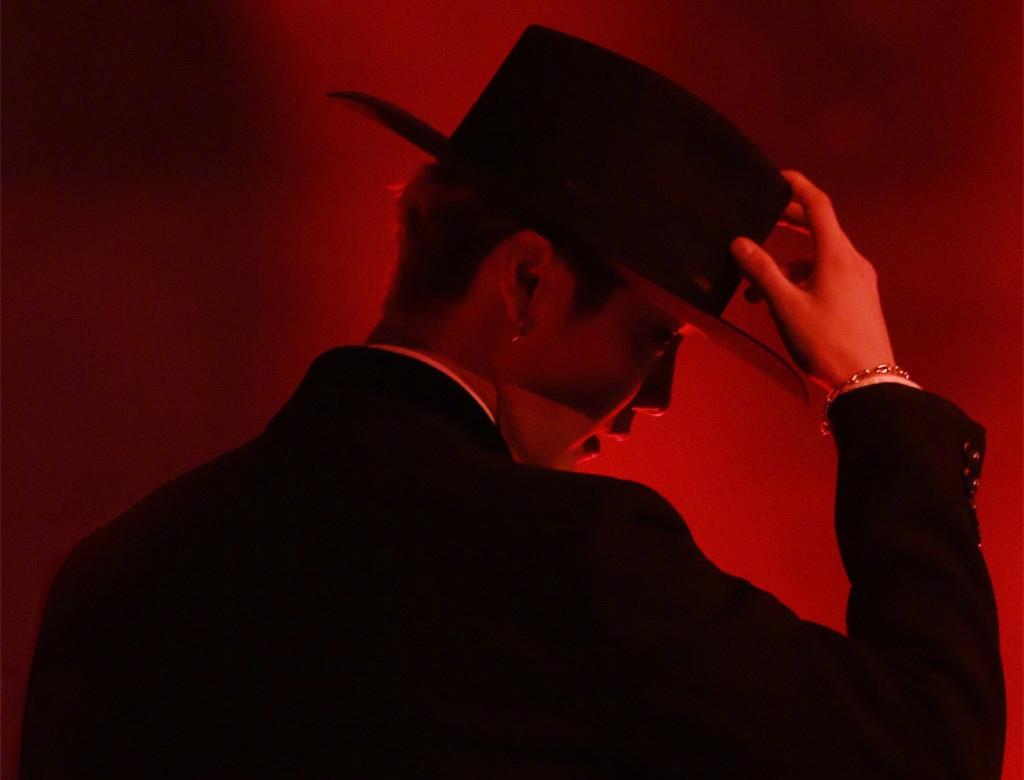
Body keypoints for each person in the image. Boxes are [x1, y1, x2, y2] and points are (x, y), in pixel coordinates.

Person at [20, 26, 1004, 779]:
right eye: (651, 342)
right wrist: (871, 389)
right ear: (528, 282)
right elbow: (925, 747)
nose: (652, 403)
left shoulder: (116, 570)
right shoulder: (567, 557)